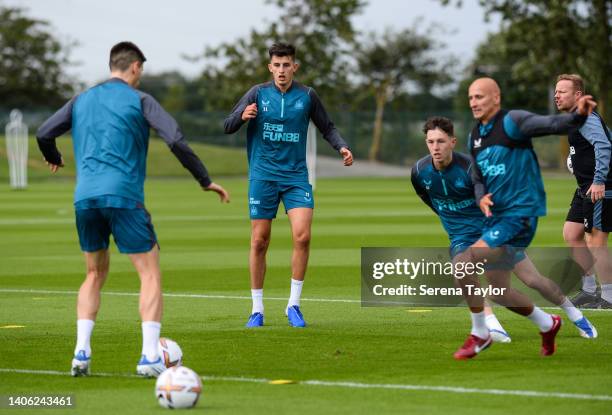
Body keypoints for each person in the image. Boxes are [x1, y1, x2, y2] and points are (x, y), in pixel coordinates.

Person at [36, 41, 230, 377]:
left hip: (85, 199)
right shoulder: (140, 99)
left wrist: (53, 157)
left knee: (94, 274)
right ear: (136, 67)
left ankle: (81, 353)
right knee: (149, 272)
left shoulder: (81, 99)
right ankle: (149, 357)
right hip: (124, 197)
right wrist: (204, 179)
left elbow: (43, 132)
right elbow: (175, 140)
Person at [412, 117, 597, 358]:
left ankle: (574, 316)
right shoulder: (419, 171)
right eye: (430, 141)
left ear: (452, 142)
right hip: (461, 237)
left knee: (529, 282)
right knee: (463, 271)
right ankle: (488, 329)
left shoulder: (472, 169)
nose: (435, 147)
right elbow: (426, 196)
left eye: (441, 141)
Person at [453, 77, 597, 359]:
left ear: (496, 98)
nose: (474, 102)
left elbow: (552, 125)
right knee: (502, 290)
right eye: (471, 97)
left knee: (462, 264)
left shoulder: (513, 122)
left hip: (519, 216)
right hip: (497, 219)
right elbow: (478, 176)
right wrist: (481, 195)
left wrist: (578, 115)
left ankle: (480, 334)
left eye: (480, 96)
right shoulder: (475, 136)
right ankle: (551, 322)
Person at [224, 43, 353, 328]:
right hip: (263, 176)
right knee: (259, 241)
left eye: (287, 65)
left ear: (294, 67)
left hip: (295, 176)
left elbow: (327, 126)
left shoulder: (307, 96)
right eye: (277, 65)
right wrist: (242, 117)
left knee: (303, 236)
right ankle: (257, 309)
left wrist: (341, 147)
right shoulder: (257, 93)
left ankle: (293, 305)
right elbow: (227, 124)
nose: (282, 70)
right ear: (270, 67)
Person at [554, 73, 612, 309]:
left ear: (578, 95)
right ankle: (589, 290)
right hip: (584, 189)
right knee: (572, 233)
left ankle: (608, 296)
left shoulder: (585, 117)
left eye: (562, 91)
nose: (557, 95)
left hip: (599, 188)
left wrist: (599, 180)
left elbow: (604, 144)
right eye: (556, 91)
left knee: (596, 241)